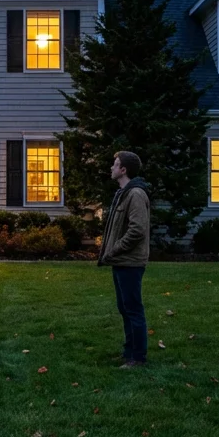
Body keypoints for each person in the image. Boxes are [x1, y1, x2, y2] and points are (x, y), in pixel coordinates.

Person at [97, 150, 151, 368]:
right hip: (121, 260)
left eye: (115, 164)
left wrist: (115, 249)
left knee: (133, 309)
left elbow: (137, 230)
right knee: (125, 307)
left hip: (130, 261)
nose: (111, 168)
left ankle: (138, 358)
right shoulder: (123, 193)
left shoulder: (136, 194)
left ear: (123, 170)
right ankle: (129, 352)